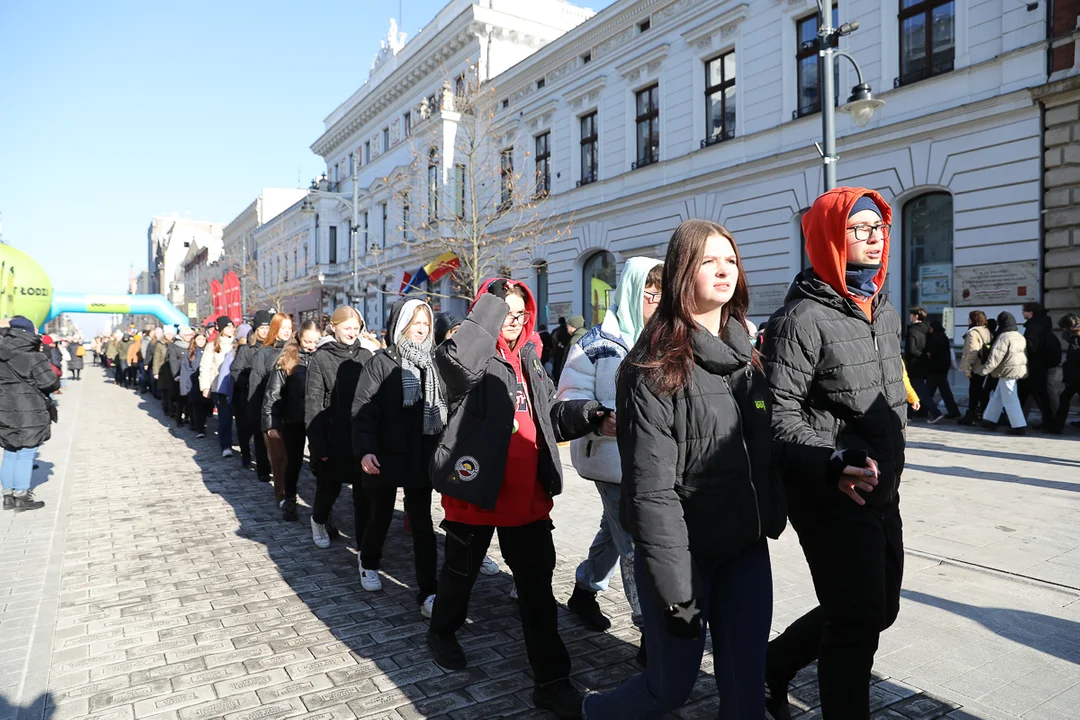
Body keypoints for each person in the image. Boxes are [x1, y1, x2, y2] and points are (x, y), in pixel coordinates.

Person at [582, 224, 783, 720]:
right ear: (679, 274)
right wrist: (677, 592)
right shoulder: (652, 367)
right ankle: (595, 712)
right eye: (707, 261)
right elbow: (652, 494)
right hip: (684, 562)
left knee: (744, 692)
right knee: (670, 688)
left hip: (745, 550)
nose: (723, 270)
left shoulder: (748, 357)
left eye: (730, 260)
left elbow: (768, 449)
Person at [764, 188, 907, 720]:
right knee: (856, 623)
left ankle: (774, 664)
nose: (874, 237)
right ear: (829, 237)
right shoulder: (799, 319)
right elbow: (777, 419)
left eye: (879, 228)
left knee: (879, 609)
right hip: (828, 491)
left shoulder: (883, 308)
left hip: (881, 487)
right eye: (859, 228)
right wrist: (829, 465)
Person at [426, 278, 581, 719]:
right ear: (486, 311)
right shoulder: (469, 351)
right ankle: (442, 630)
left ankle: (552, 681)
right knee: (460, 576)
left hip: (526, 497)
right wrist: (492, 310)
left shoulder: (531, 356)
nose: (513, 320)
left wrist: (587, 416)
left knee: (537, 591)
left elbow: (552, 416)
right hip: (475, 491)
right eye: (503, 311)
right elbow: (455, 369)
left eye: (519, 313)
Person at [551, 258, 661, 657]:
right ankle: (651, 632)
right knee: (635, 543)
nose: (656, 302)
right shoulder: (595, 343)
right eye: (649, 294)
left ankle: (583, 591)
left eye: (663, 294)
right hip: (611, 460)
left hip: (656, 460)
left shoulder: (666, 338)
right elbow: (568, 397)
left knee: (613, 534)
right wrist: (597, 417)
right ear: (632, 293)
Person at [352, 298, 443, 615]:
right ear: (401, 324)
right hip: (386, 454)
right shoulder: (381, 362)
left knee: (422, 525)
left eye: (425, 323)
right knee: (380, 516)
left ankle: (428, 592)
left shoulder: (434, 362)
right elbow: (363, 411)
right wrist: (365, 450)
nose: (421, 328)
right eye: (415, 322)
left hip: (420, 455)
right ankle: (368, 561)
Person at [305, 306, 372, 550]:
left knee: (363, 494)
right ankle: (318, 520)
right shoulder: (321, 358)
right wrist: (318, 444)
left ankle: (365, 546)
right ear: (334, 326)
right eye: (347, 328)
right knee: (329, 489)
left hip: (360, 436)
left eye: (356, 328)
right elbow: (313, 404)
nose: (352, 333)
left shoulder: (366, 355)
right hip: (333, 437)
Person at [0, 317, 61, 512]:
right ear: (28, 332)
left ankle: (7, 497)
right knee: (26, 453)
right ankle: (22, 496)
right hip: (30, 410)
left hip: (4, 408)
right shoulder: (34, 356)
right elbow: (50, 383)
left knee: (10, 451)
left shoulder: (1, 353)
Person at [263, 319, 319, 521]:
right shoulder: (287, 358)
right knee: (293, 463)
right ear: (299, 338)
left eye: (315, 342)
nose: (312, 346)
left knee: (321, 464)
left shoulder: (323, 356)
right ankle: (290, 499)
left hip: (317, 421)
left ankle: (323, 510)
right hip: (292, 420)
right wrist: (271, 423)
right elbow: (273, 395)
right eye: (308, 342)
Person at [249, 313, 293, 478]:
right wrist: (257, 413)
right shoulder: (263, 353)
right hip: (269, 406)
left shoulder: (296, 349)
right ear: (275, 328)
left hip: (290, 408)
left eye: (289, 327)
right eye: (283, 328)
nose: (287, 331)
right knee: (269, 447)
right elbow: (256, 384)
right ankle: (264, 470)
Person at [977, 312, 1028, 435]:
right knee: (998, 396)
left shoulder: (1003, 337)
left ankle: (1019, 426)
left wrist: (982, 371)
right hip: (1017, 370)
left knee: (1010, 398)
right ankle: (989, 420)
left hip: (1006, 371)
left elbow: (995, 358)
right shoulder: (1019, 335)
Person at [233, 312, 272, 471]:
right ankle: (247, 455)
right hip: (249, 396)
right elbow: (235, 370)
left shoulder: (274, 347)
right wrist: (249, 382)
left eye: (267, 328)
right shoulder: (246, 348)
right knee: (249, 430)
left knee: (266, 432)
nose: (264, 331)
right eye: (262, 328)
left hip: (269, 396)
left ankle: (267, 462)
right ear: (256, 329)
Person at [199, 317, 237, 456]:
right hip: (219, 387)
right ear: (220, 329)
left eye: (232, 326)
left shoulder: (238, 343)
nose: (231, 329)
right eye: (227, 327)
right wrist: (205, 386)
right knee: (224, 417)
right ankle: (226, 445)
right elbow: (205, 367)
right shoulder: (212, 346)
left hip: (236, 386)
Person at [1019, 301, 1060, 429]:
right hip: (1041, 366)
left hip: (1034, 367)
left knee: (1033, 395)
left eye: (1024, 310)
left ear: (1031, 313)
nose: (1022, 313)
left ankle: (1018, 421)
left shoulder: (1033, 327)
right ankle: (1049, 421)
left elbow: (1031, 347)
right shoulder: (1042, 325)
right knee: (1039, 395)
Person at [958, 311, 992, 426]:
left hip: (976, 367)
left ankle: (971, 415)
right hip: (984, 365)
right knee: (979, 391)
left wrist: (967, 369)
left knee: (974, 391)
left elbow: (972, 352)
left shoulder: (973, 333)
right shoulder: (986, 331)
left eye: (969, 318)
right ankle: (981, 412)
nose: (968, 321)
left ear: (973, 320)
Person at [923, 320, 960, 420]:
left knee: (927, 391)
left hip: (934, 368)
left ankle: (923, 410)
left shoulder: (933, 338)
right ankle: (953, 411)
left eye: (930, 328)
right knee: (945, 391)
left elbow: (931, 353)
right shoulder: (944, 338)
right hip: (943, 368)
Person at [1049, 313, 1080, 434]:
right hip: (1074, 375)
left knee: (1064, 399)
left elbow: (1074, 358)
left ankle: (1057, 427)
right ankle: (1057, 427)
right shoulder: (1074, 337)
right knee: (1065, 399)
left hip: (1076, 375)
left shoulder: (1075, 338)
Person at [904, 307, 931, 419]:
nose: (909, 317)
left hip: (913, 364)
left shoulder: (912, 330)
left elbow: (911, 349)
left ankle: (934, 411)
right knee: (917, 388)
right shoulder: (926, 329)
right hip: (923, 363)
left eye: (911, 315)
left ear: (916, 316)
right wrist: (925, 356)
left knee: (915, 388)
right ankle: (918, 412)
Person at [181, 332, 209, 435]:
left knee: (205, 406)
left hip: (206, 382)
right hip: (193, 383)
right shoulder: (190, 353)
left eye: (203, 339)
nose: (201, 341)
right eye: (199, 339)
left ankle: (201, 424)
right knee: (197, 406)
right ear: (194, 340)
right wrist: (184, 387)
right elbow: (185, 370)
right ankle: (199, 427)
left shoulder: (209, 351)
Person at [160, 326, 188, 422]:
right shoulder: (174, 346)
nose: (189, 337)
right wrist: (176, 375)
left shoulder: (193, 345)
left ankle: (188, 417)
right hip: (177, 375)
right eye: (187, 335)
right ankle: (177, 416)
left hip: (188, 374)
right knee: (177, 397)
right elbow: (172, 361)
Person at [550, 316, 570, 382]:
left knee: (557, 366)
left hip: (558, 352)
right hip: (567, 351)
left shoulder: (556, 330)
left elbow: (553, 339)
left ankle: (558, 380)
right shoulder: (568, 330)